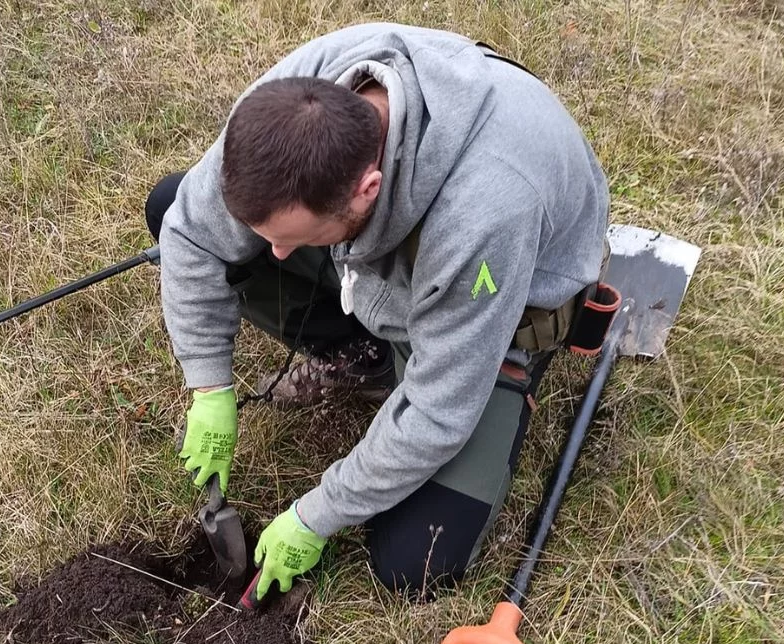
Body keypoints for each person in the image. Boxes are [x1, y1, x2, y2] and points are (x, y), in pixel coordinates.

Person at [144, 22, 610, 601]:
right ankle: (367, 354)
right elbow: (191, 231)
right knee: (171, 201)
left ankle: (508, 382)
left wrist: (315, 514)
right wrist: (208, 383)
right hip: (383, 263)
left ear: (366, 188)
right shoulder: (300, 96)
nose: (278, 255)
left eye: (293, 239)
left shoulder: (485, 212)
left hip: (496, 315)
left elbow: (439, 413)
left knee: (414, 563)